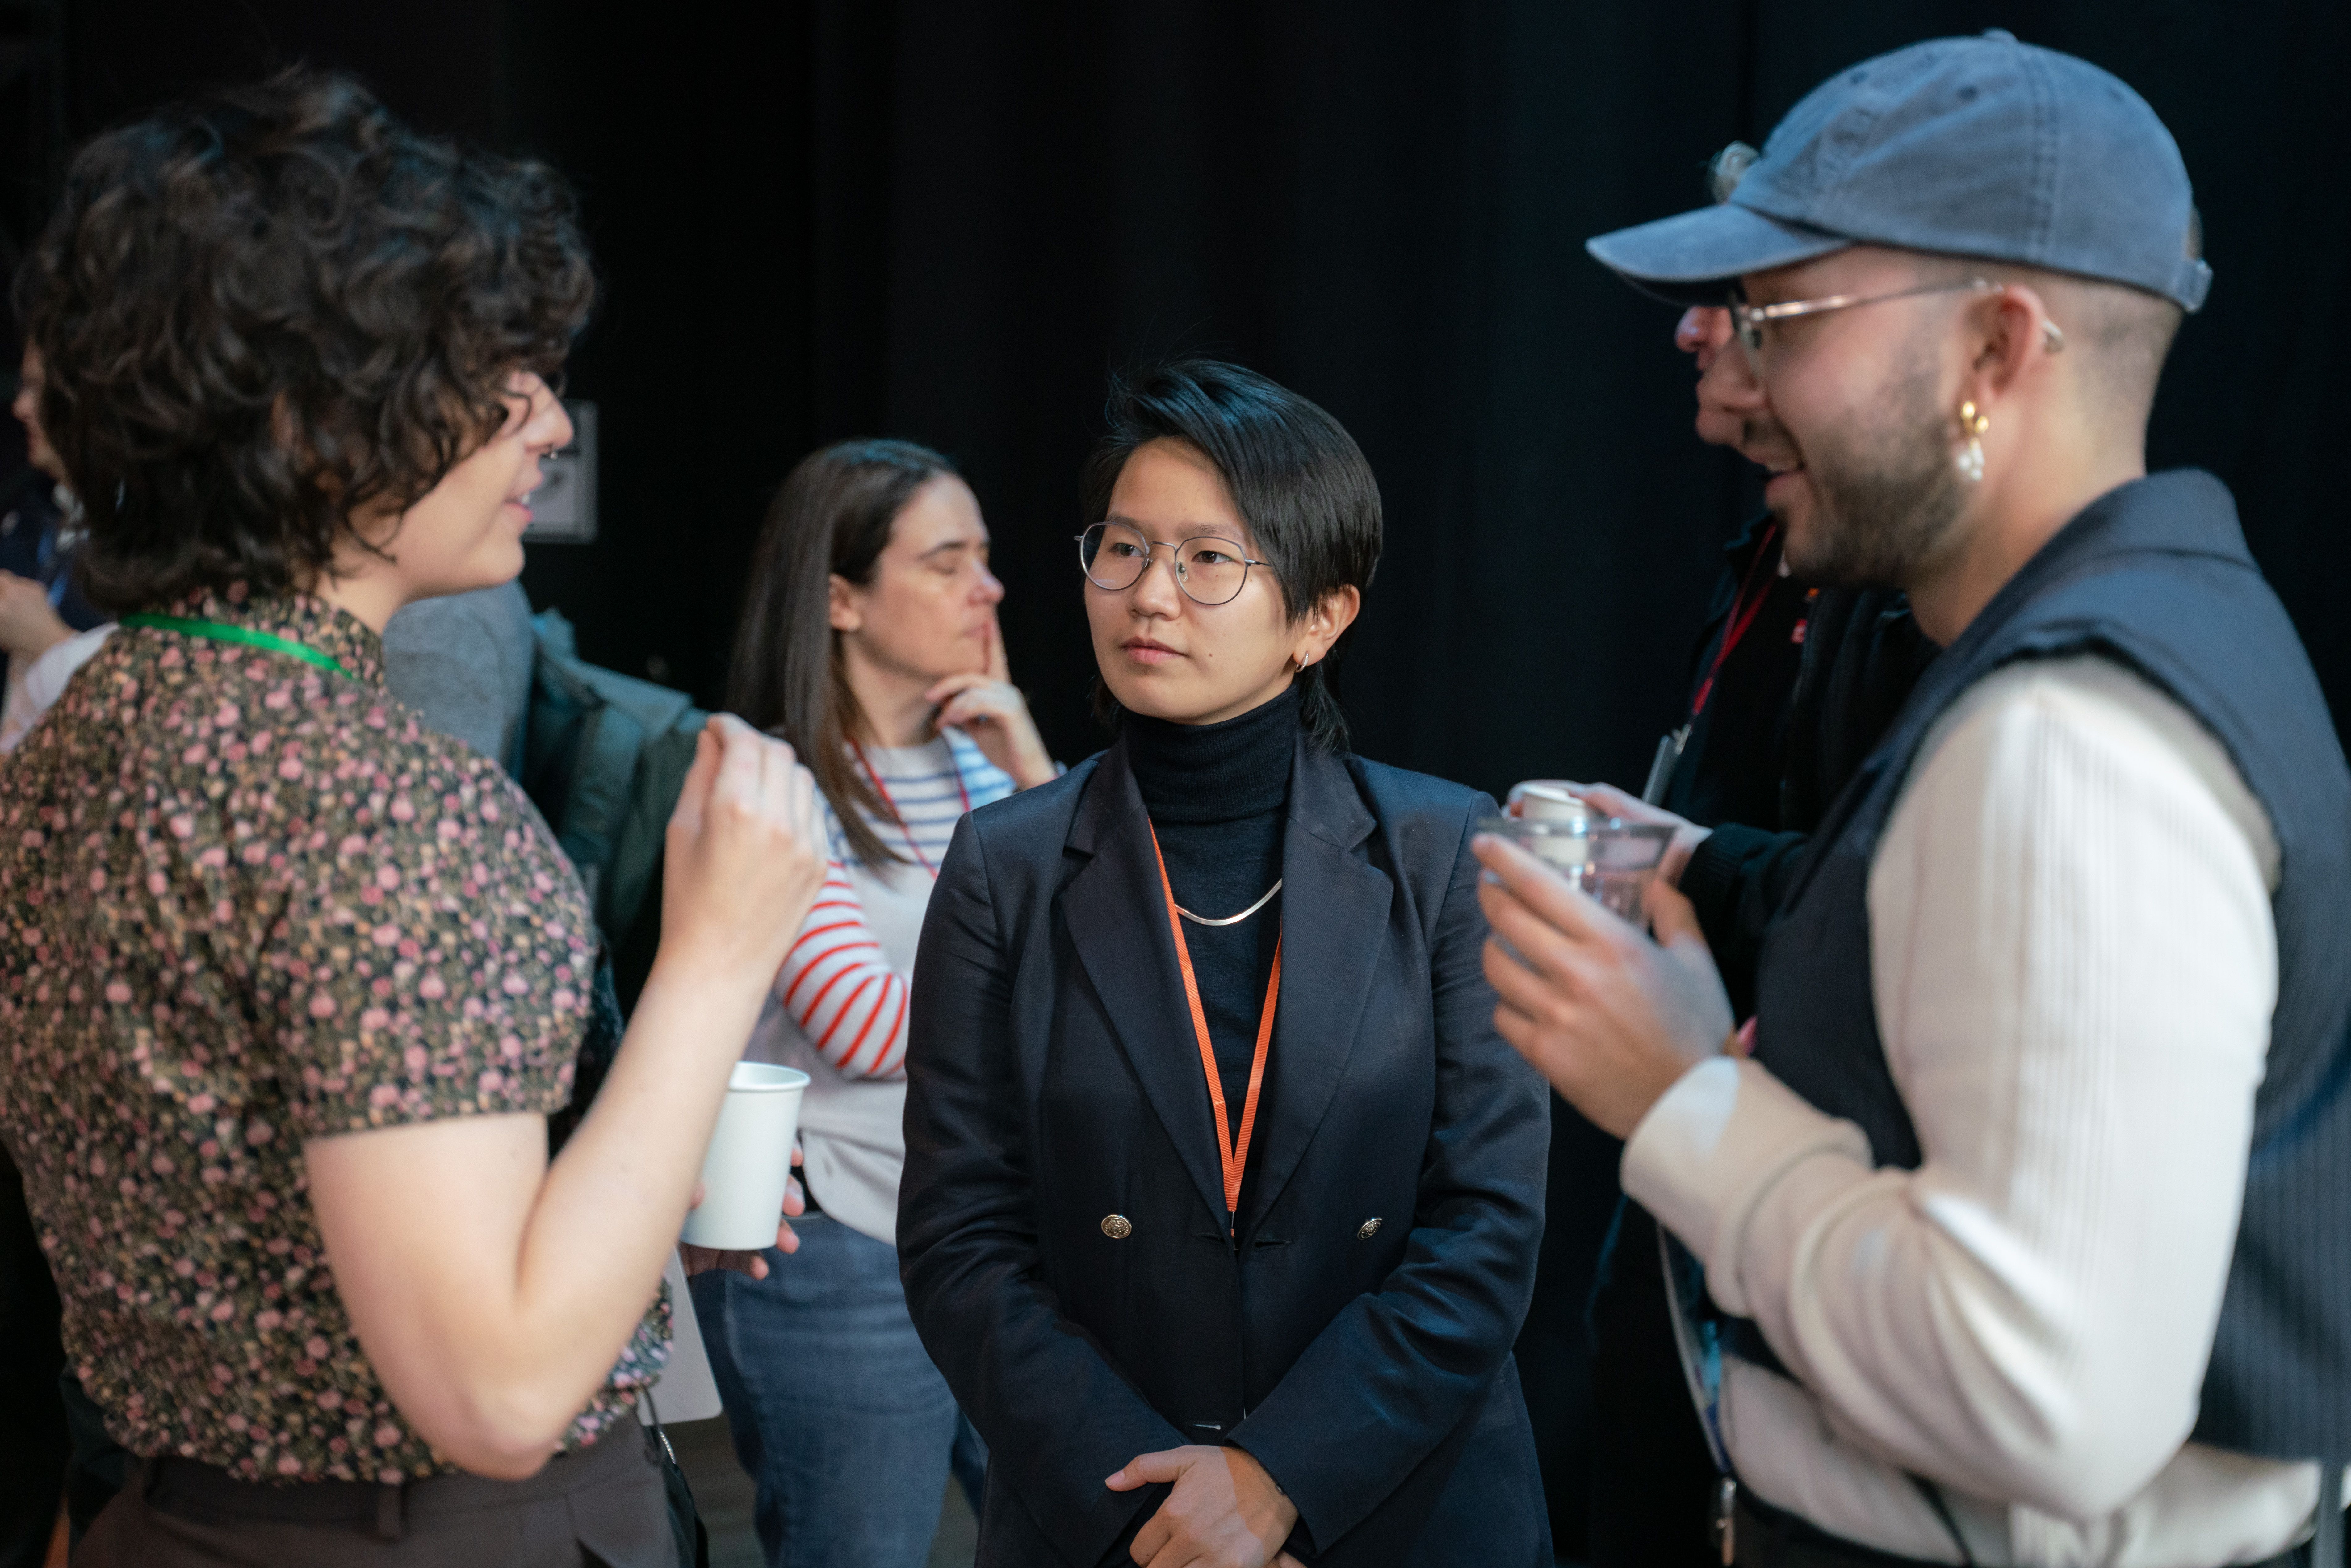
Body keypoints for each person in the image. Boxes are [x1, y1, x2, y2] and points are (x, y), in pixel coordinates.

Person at [1477, 30, 2351, 1567]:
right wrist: (1710, 873)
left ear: (1991, 351)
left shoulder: (2070, 741)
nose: (1731, 372)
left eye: (1779, 318)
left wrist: (1677, 1093)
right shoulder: (2123, 640)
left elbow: (2045, 1394)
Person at [0, 71, 831, 1566]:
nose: (541, 424)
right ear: (314, 423)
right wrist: (720, 948)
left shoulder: (80, 732)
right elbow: (499, 1387)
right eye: (485, 373)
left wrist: (621, 1212)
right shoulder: (379, 804)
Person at [899, 359, 1553, 1568]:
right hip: (1109, 1517)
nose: (1150, 594)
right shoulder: (1007, 864)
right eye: (1123, 548)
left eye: (1208, 560)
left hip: (1397, 1505)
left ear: (1321, 616)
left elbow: (1486, 1229)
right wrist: (1166, 1518)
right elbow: (960, 1239)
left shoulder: (1450, 851)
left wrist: (1274, 1480)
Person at [689, 437, 1055, 1568]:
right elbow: (865, 1026)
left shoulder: (984, 763)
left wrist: (1037, 765)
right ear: (840, 598)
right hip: (845, 1250)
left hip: (998, 1236)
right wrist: (1041, 977)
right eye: (947, 562)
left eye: (985, 559)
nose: (987, 589)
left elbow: (1121, 960)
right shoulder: (768, 779)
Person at [0, 344, 112, 752]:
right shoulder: (28, 515)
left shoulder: (148, 553)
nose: (20, 408)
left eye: (37, 389)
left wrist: (50, 644)